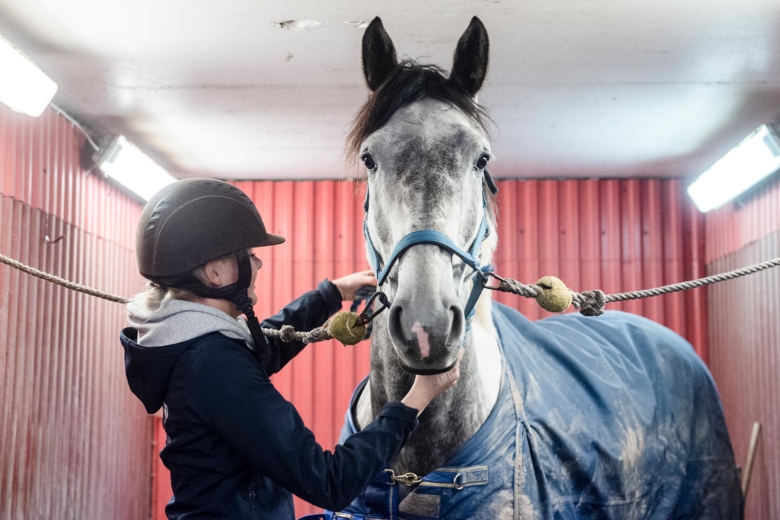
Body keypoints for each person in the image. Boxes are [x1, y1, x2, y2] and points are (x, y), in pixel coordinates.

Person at [120, 178, 460, 519]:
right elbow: (330, 482)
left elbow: (261, 346)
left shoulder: (189, 343)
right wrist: (415, 401)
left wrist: (329, 295)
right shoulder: (214, 365)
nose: (259, 265)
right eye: (250, 256)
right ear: (215, 274)